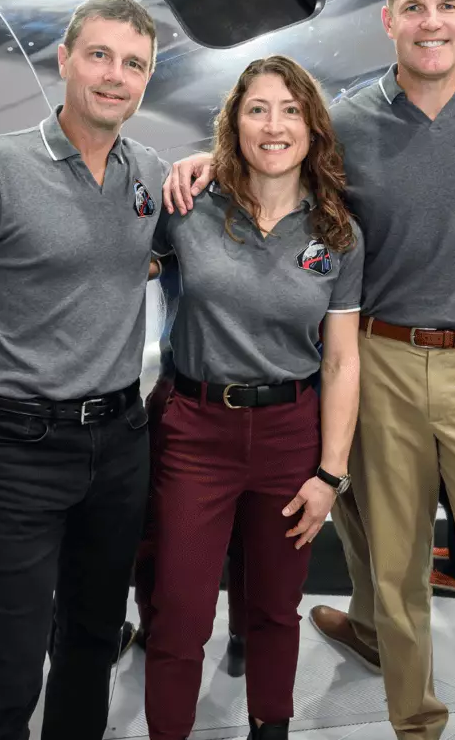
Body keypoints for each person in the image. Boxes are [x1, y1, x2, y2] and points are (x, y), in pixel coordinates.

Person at [168, 0, 455, 740]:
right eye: (413, 7)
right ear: (389, 21)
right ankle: (415, 722)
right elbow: (278, 167)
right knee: (395, 568)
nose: (431, 22)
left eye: (447, 5)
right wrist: (206, 162)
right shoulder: (344, 122)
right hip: (375, 358)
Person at [0, 0, 168, 740]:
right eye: (100, 56)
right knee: (9, 666)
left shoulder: (150, 174)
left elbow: (145, 257)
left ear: (148, 78)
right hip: (16, 447)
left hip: (118, 442)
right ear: (65, 61)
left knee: (89, 647)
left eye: (134, 63)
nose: (116, 76)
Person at [145, 55, 363, 740]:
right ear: (233, 124)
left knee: (275, 606)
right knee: (180, 609)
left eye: (291, 110)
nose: (274, 125)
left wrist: (331, 473)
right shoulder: (188, 207)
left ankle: (272, 725)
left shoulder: (337, 233)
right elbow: (112, 265)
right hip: (194, 428)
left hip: (290, 434)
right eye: (258, 108)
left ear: (313, 127)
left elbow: (342, 358)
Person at [132, 253, 250, 678]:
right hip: (182, 386)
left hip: (255, 392)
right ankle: (164, 630)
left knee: (255, 530)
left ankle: (240, 636)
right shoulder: (179, 196)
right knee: (165, 528)